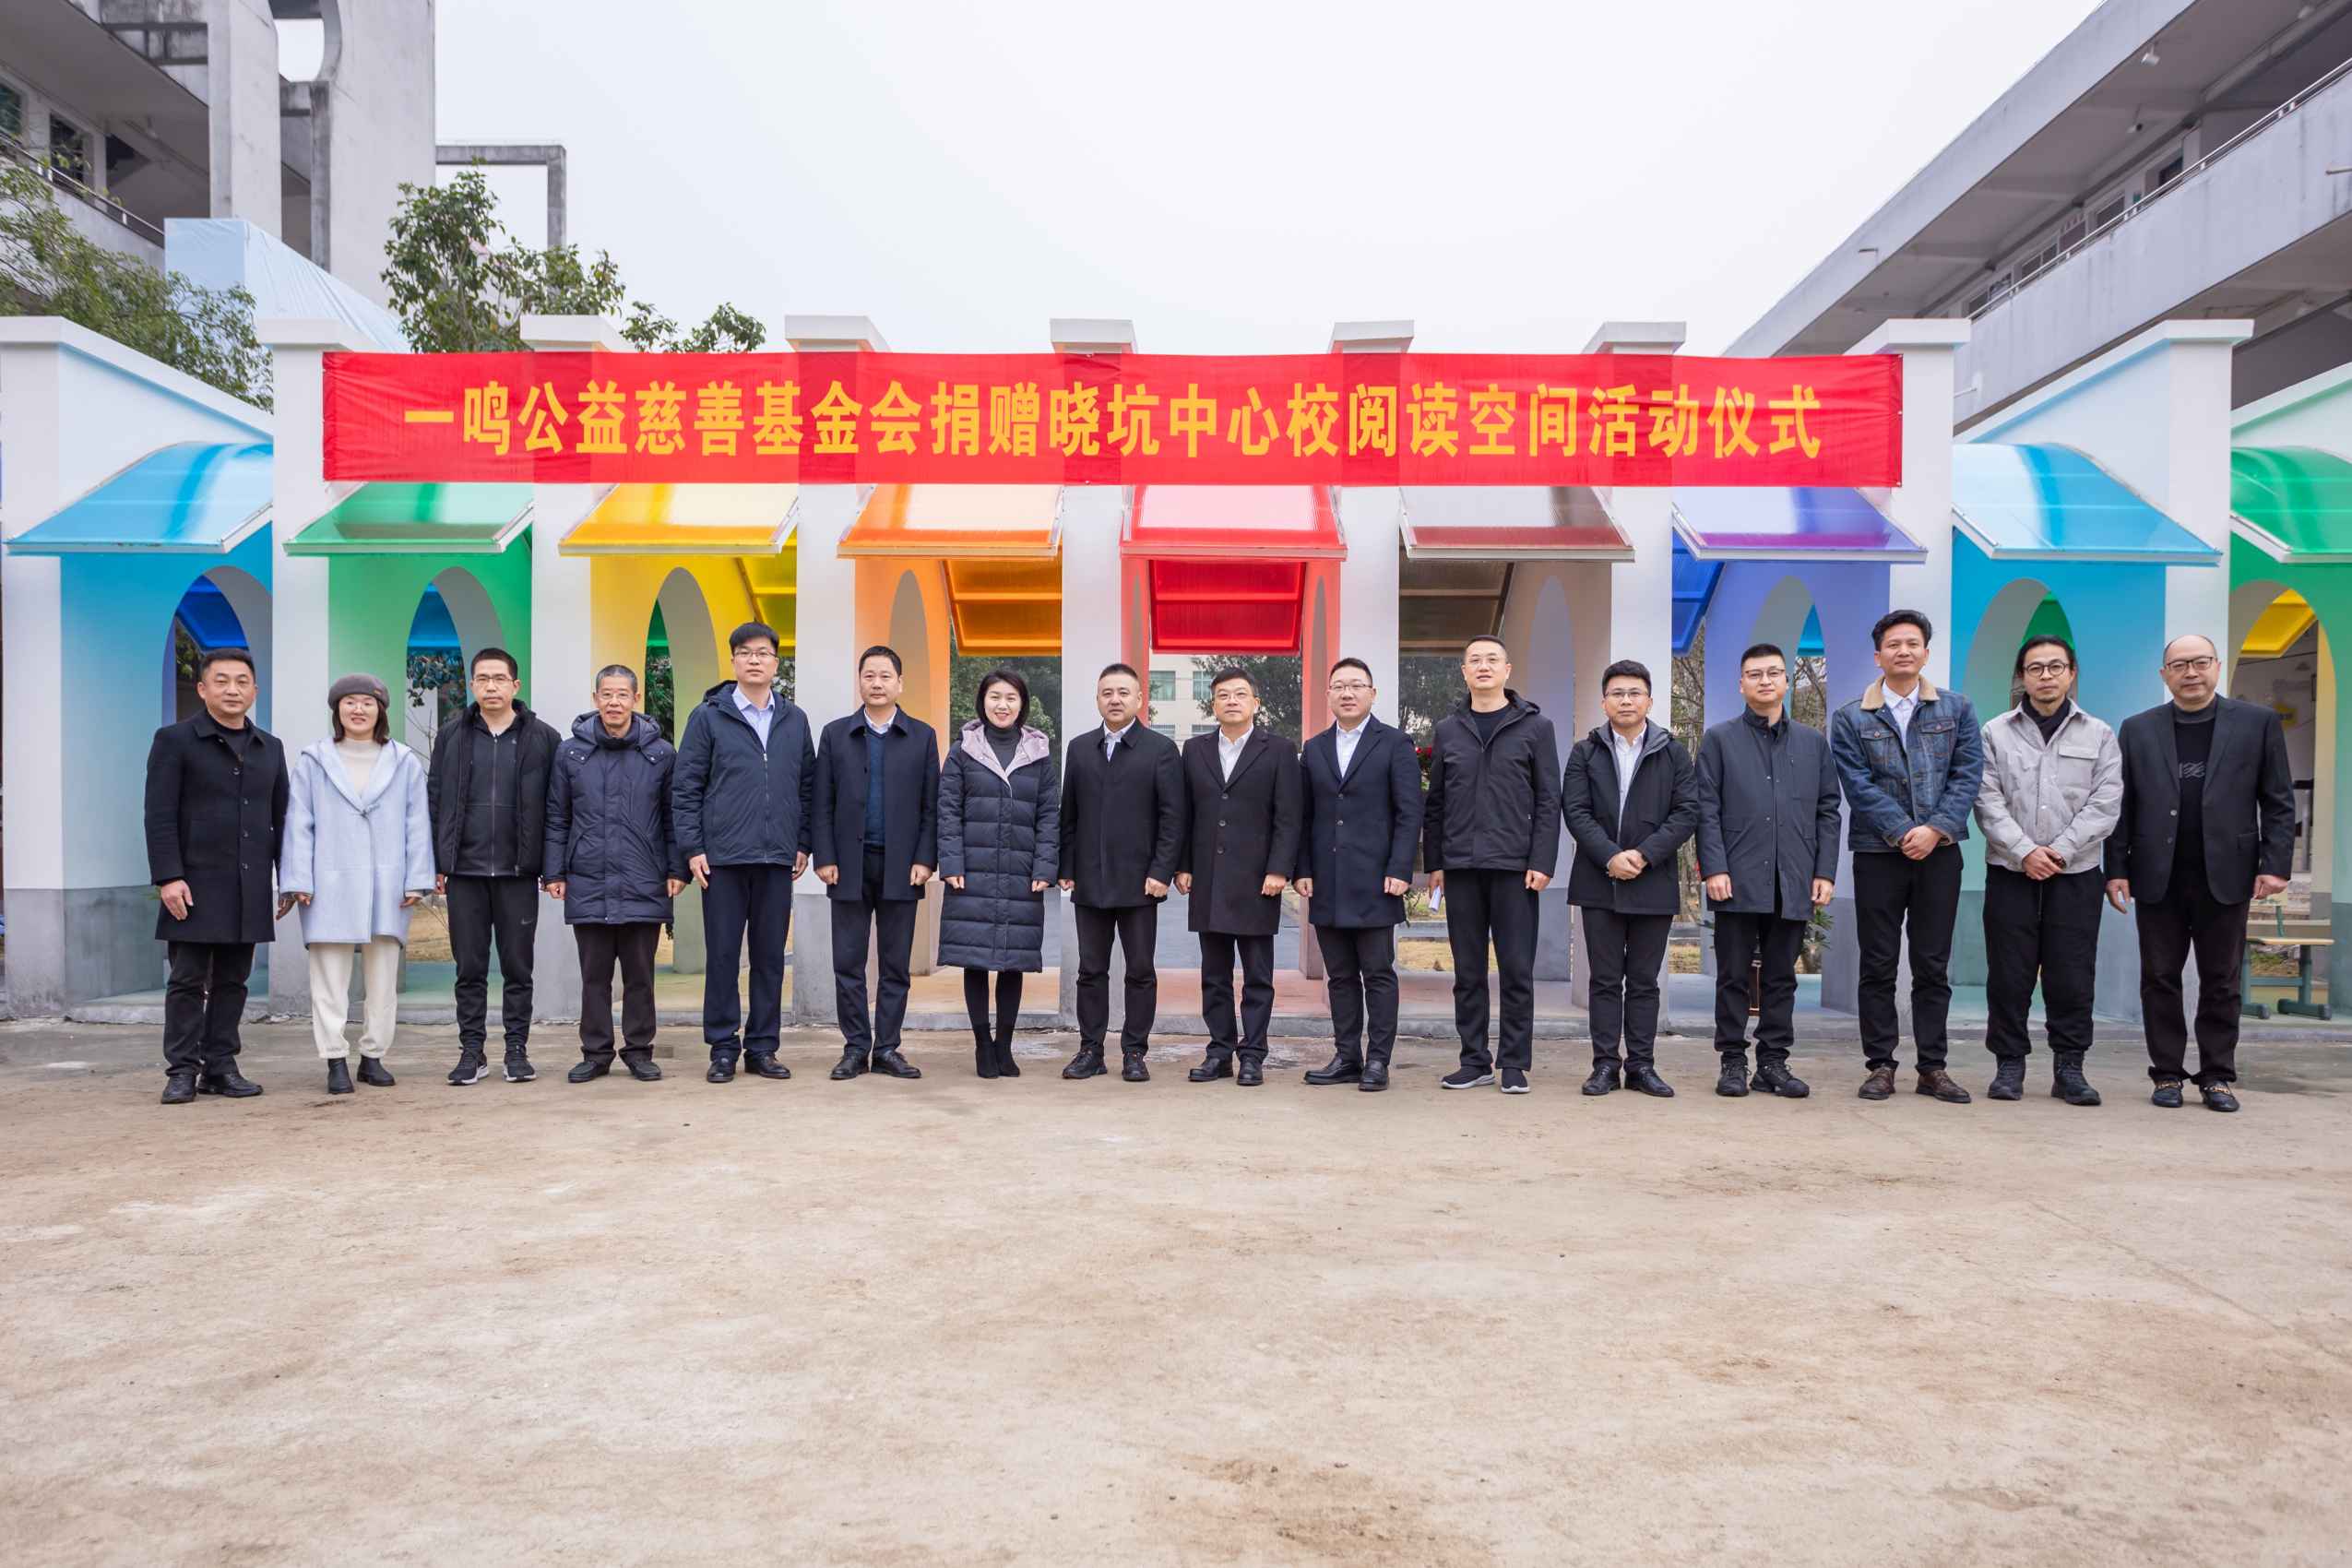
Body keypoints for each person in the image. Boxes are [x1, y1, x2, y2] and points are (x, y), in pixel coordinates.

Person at [2106, 633, 2296, 1112]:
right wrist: (2117, 868)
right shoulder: (2138, 729)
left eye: (2200, 662)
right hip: (2158, 874)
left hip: (2228, 873)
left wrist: (2275, 865)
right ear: (2164, 674)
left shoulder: (2257, 723)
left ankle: (2217, 1076)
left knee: (2222, 980)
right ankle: (2167, 1074)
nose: (2190, 673)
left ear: (2217, 666)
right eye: (2179, 665)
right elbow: (2121, 806)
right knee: (2159, 978)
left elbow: (2278, 800)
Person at [1829, 610, 1985, 1105]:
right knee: (1877, 962)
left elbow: (1967, 774)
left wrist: (1934, 829)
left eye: (1912, 643)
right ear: (1878, 656)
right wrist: (1902, 832)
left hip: (1940, 852)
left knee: (1932, 964)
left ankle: (1933, 1067)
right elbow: (1857, 784)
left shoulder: (1957, 709)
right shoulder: (1852, 717)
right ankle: (1880, 1064)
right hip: (1878, 852)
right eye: (1893, 644)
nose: (1903, 651)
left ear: (1925, 653)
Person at [1973, 636, 2120, 1107]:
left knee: (2072, 973)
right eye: (2035, 668)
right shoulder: (1995, 732)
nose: (2046, 676)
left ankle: (2069, 1068)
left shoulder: (2099, 734)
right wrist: (2024, 852)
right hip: (2010, 871)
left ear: (2071, 673)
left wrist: (2057, 852)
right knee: (2008, 973)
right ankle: (2009, 1065)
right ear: (2022, 676)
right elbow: (1986, 799)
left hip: (2075, 873)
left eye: (2056, 667)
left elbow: (2106, 803)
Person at [1695, 643, 1841, 1099]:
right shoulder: (1719, 740)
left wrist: (1824, 871)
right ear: (1741, 684)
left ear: (1786, 681)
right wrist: (1714, 867)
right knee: (1733, 976)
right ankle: (1732, 1061)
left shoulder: (1813, 743)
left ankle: (1773, 1063)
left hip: (1793, 879)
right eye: (1755, 674)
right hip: (1735, 878)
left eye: (1773, 673)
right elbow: (1706, 809)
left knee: (1782, 977)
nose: (1765, 681)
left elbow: (1828, 810)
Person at [144, 647, 288, 1105]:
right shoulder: (175, 740)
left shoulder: (270, 747)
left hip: (248, 883)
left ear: (254, 691)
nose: (232, 690)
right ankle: (182, 1070)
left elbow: (281, 818)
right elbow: (159, 814)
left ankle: (221, 1067)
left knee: (233, 981)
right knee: (187, 980)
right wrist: (168, 877)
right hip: (194, 883)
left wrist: (288, 878)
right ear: (203, 689)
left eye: (241, 682)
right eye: (221, 681)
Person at [278, 673, 434, 1094]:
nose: (358, 709)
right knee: (329, 978)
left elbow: (417, 822)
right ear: (337, 710)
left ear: (381, 710)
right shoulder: (314, 760)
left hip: (388, 882)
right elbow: (299, 822)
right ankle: (334, 1058)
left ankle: (373, 1055)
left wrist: (417, 879)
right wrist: (297, 879)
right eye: (349, 702)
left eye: (367, 702)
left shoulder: (403, 761)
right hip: (329, 881)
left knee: (383, 978)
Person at [672, 621, 813, 1085]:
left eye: (764, 653)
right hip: (723, 859)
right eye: (746, 652)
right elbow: (686, 787)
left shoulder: (794, 720)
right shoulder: (708, 717)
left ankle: (763, 1047)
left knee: (770, 958)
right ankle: (722, 1048)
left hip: (777, 859)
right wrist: (693, 847)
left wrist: (803, 843)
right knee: (723, 956)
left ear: (776, 663)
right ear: (733, 661)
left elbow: (807, 786)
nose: (755, 660)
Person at [1423, 635, 1561, 1094]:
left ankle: (1515, 1062)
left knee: (1517, 969)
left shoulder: (1536, 728)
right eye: (1475, 661)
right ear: (1464, 672)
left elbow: (1549, 800)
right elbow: (1436, 802)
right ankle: (1474, 1060)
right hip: (1461, 866)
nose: (1483, 666)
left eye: (1492, 660)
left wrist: (1542, 859)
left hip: (1515, 867)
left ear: (1507, 670)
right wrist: (1435, 862)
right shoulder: (1449, 730)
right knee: (1468, 971)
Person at [1560, 659, 1698, 1099]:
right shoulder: (1585, 752)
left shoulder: (1672, 752)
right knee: (1603, 980)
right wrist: (1610, 856)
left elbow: (1686, 812)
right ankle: (1604, 1065)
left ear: (1649, 701)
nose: (1625, 700)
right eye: (1617, 693)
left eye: (1634, 693)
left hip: (1652, 880)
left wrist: (1644, 854)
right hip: (1598, 880)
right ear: (1604, 702)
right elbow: (1575, 810)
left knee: (1643, 981)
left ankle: (1641, 1065)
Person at [427, 647, 561, 1087]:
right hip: (464, 872)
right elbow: (435, 799)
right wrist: (437, 861)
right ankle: (472, 1051)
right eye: (482, 679)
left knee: (518, 968)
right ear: (472, 685)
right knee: (469, 969)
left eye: (499, 678)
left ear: (515, 685)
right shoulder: (452, 736)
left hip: (518, 873)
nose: (491, 686)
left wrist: (551, 867)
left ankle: (516, 1050)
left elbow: (556, 807)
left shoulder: (543, 738)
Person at [543, 666, 683, 1085]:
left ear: (636, 699)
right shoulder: (571, 753)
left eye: (622, 694)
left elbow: (673, 818)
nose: (614, 702)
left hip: (645, 878)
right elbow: (557, 816)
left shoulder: (661, 754)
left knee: (640, 976)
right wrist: (554, 871)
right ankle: (596, 1053)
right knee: (594, 976)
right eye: (607, 694)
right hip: (587, 877)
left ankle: (639, 1051)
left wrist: (676, 868)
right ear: (595, 698)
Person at [813, 646, 940, 1082]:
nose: (877, 683)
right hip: (847, 864)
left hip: (903, 866)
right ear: (860, 682)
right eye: (869, 676)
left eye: (886, 676)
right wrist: (825, 856)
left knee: (894, 965)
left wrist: (925, 858)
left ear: (900, 683)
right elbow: (821, 801)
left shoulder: (921, 736)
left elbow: (931, 805)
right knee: (848, 963)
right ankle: (854, 1048)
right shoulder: (836, 735)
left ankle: (887, 1048)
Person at [1294, 659, 1423, 1092]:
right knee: (1340, 975)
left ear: (1372, 693)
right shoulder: (1314, 748)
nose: (1347, 693)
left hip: (1376, 880)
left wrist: (1400, 868)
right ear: (1328, 694)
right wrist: (1303, 869)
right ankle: (1347, 1056)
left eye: (1356, 686)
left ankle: (1378, 1060)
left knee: (1378, 973)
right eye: (1339, 686)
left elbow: (1409, 813)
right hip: (1327, 879)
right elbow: (1304, 815)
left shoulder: (1395, 744)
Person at [1174, 669, 1301, 1087]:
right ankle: (1219, 1052)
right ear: (1212, 704)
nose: (1232, 701)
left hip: (1257, 880)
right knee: (1214, 975)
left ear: (1255, 704)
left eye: (1240, 694)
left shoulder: (1279, 750)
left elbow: (1288, 815)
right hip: (1208, 879)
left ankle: (1253, 1054)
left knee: (1257, 976)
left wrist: (1279, 868)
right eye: (1223, 695)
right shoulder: (1194, 750)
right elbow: (1185, 813)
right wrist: (1183, 864)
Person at [1058, 663, 1184, 1082]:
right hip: (1089, 880)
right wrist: (1067, 866)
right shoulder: (1080, 748)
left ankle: (1134, 1051)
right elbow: (1069, 814)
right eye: (1107, 693)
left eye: (1123, 692)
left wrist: (1161, 870)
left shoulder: (1160, 750)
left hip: (1140, 882)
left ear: (1139, 699)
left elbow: (1172, 818)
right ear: (1098, 699)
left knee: (1140, 970)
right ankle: (1090, 1050)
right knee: (1090, 969)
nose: (1115, 699)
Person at [937, 670, 1060, 1080]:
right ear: (983, 702)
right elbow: (947, 811)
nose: (1002, 705)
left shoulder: (1038, 754)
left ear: (1022, 704)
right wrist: (951, 863)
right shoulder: (963, 751)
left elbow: (1049, 815)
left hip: (1021, 873)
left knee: (1013, 962)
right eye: (995, 697)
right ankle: (982, 1045)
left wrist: (1045, 866)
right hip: (972, 872)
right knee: (974, 960)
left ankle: (1004, 1046)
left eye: (1010, 697)